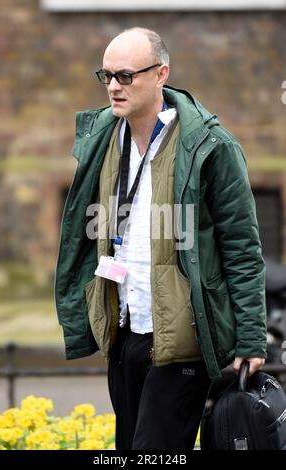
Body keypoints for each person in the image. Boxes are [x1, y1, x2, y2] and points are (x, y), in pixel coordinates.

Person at [55, 27, 267, 450]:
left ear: (161, 74)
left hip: (183, 337)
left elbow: (241, 247)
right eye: (107, 76)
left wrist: (250, 336)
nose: (114, 87)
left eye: (126, 76)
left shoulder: (210, 146)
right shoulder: (103, 136)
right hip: (124, 327)